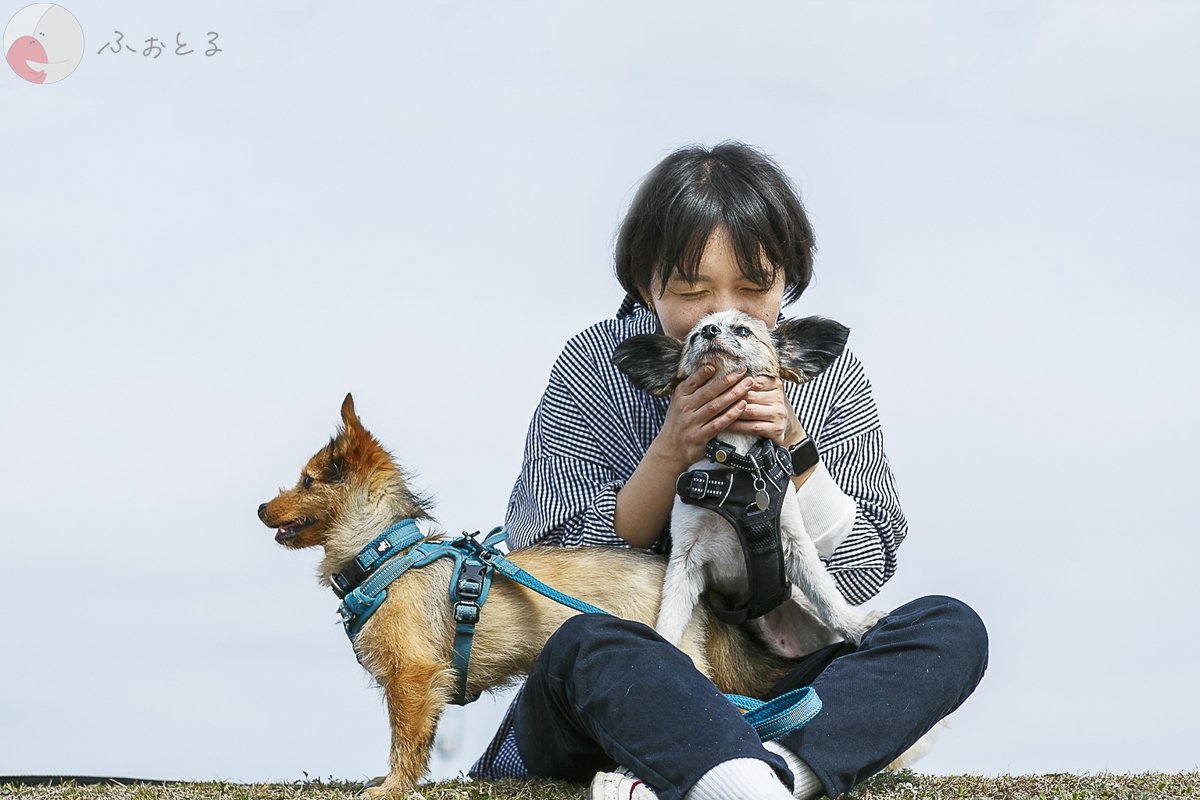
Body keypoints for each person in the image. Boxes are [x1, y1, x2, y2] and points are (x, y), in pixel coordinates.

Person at [469, 142, 988, 800]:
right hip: (624, 686)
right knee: (584, 646)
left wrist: (794, 446)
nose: (721, 317)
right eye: (691, 292)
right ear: (644, 286)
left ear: (786, 282)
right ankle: (741, 771)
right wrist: (669, 452)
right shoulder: (595, 365)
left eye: (753, 288)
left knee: (949, 629)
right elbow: (544, 557)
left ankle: (760, 777)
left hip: (771, 682)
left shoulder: (824, 372)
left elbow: (865, 565)